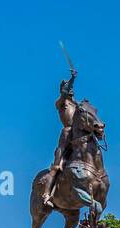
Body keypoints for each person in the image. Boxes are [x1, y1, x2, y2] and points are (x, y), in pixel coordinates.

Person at [43, 70, 79, 208]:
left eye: (71, 88)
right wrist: (72, 78)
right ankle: (46, 194)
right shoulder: (61, 103)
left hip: (78, 134)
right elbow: (64, 93)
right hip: (67, 134)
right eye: (68, 88)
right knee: (57, 165)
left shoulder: (77, 105)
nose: (71, 90)